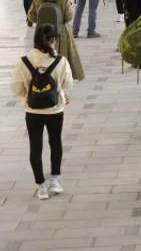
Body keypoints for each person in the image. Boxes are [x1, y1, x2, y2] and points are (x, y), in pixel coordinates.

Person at [10, 23, 74, 201]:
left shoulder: (24, 61)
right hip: (55, 109)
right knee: (55, 143)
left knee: (35, 147)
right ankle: (55, 180)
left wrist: (27, 95)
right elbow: (68, 84)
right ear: (54, 40)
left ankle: (41, 187)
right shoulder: (60, 60)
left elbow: (16, 87)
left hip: (32, 111)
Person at [28, 0, 84, 82]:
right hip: (61, 32)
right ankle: (62, 81)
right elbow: (68, 17)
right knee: (63, 58)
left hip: (42, 34)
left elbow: (31, 16)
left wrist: (42, 21)